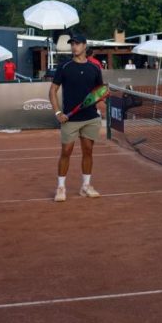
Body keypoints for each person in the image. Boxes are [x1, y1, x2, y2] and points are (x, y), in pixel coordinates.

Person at [49, 34, 105, 202]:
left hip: (90, 118)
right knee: (66, 152)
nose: (74, 47)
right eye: (72, 44)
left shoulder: (94, 68)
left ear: (85, 46)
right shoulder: (64, 66)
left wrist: (102, 98)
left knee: (88, 151)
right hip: (70, 119)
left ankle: (85, 186)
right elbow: (52, 91)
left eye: (77, 43)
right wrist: (58, 113)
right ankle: (60, 187)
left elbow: (99, 91)